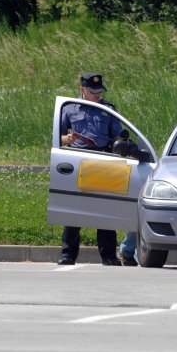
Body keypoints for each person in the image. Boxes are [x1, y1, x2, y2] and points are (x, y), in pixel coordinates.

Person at [58, 73, 124, 266]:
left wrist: (120, 145)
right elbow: (57, 137)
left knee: (105, 211)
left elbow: (118, 135)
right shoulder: (68, 108)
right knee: (74, 212)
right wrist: (66, 140)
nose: (97, 95)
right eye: (93, 91)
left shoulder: (108, 109)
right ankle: (67, 254)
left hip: (103, 159)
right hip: (78, 160)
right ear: (82, 90)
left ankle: (109, 255)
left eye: (99, 91)